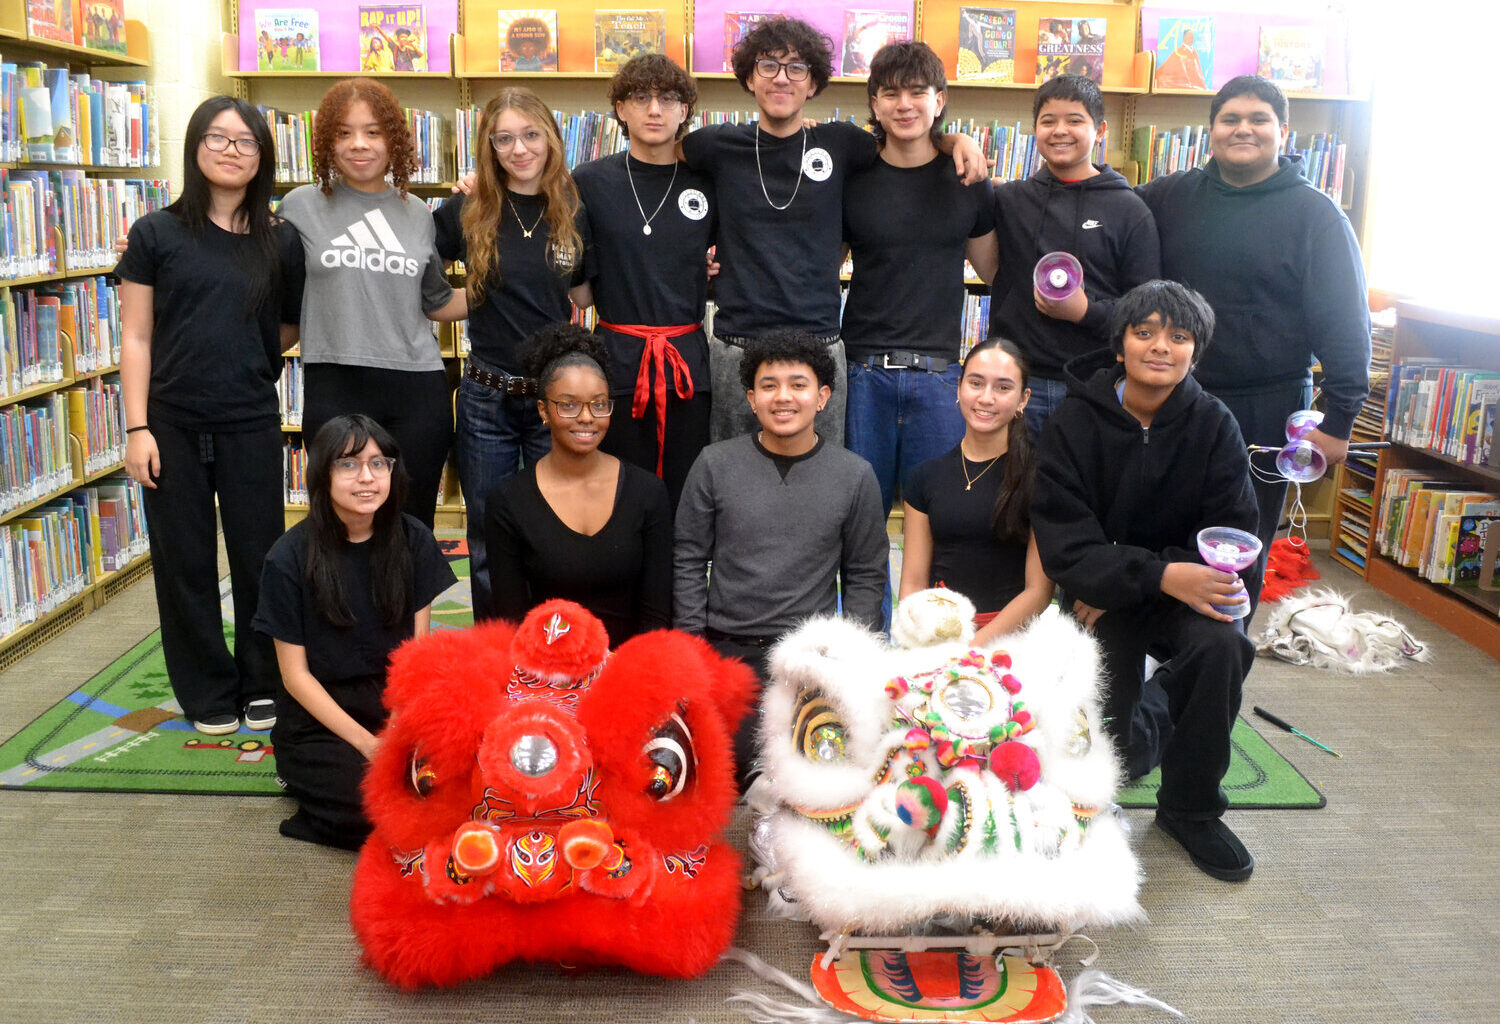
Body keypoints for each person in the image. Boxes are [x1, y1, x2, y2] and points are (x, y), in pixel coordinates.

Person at [1031, 280, 1258, 882]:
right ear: (1119, 344)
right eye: (1145, 332)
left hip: (1179, 587)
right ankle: (1159, 707)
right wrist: (1147, 577)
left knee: (1224, 646)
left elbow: (1233, 536)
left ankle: (1191, 809)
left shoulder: (1214, 425)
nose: (1161, 347)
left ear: (1195, 352)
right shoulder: (1073, 421)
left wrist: (1168, 579)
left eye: (1178, 337)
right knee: (1122, 759)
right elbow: (1066, 542)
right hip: (1105, 596)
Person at [679, 16, 986, 445]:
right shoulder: (714, 145)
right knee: (733, 483)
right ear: (749, 78)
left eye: (797, 68)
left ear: (814, 84)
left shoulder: (842, 144)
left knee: (822, 488)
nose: (781, 78)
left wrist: (957, 141)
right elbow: (662, 156)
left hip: (819, 344)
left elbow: (909, 141)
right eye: (768, 66)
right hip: (737, 345)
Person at [1136, 75, 1370, 612]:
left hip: (1267, 404)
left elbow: (1344, 322)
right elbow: (1102, 210)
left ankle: (1219, 673)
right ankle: (1157, 676)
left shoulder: (1317, 216)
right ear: (1211, 130)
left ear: (1283, 131)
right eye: (1230, 119)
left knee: (1241, 541)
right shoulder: (1170, 196)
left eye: (1259, 119)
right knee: (1161, 530)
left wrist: (1339, 423)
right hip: (1174, 396)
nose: (1244, 129)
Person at [118, 97, 298, 736]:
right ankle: (206, 689)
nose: (231, 150)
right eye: (218, 138)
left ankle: (261, 681)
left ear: (262, 156)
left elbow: (288, 325)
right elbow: (136, 337)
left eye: (246, 141)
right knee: (184, 560)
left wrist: (246, 360)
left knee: (262, 557)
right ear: (195, 147)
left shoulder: (281, 240)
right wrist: (136, 427)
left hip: (250, 419)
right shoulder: (156, 234)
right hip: (169, 422)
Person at [674, 329, 887, 784]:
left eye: (798, 384)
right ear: (750, 399)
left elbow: (867, 576)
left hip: (813, 660)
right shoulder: (713, 464)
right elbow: (689, 559)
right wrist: (693, 651)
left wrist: (850, 661)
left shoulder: (855, 475)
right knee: (726, 780)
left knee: (819, 781)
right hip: (728, 655)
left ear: (823, 396)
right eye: (769, 386)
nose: (783, 397)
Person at [253, 414, 457, 851]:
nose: (366, 478)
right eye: (348, 465)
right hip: (321, 718)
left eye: (378, 463)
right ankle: (303, 783)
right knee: (369, 812)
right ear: (322, 475)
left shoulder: (414, 538)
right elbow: (295, 677)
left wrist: (400, 727)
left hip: (396, 704)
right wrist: (369, 744)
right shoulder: (288, 558)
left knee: (466, 785)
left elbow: (418, 655)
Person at [279, 78, 466, 531]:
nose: (358, 144)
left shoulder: (419, 214)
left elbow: (436, 302)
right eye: (343, 133)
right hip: (335, 383)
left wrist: (515, 282)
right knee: (340, 525)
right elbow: (250, 271)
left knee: (410, 524)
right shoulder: (299, 206)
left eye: (373, 132)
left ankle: (409, 606)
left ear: (394, 140)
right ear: (327, 141)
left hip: (417, 390)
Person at [433, 87, 592, 620]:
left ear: (550, 138)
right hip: (487, 399)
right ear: (489, 146)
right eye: (504, 139)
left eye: (530, 135)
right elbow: (414, 276)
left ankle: (555, 643)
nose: (519, 149)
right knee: (488, 531)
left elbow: (586, 293)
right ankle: (498, 648)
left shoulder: (574, 208)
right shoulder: (466, 208)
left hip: (555, 400)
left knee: (558, 526)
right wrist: (464, 304)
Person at [843, 40, 998, 526]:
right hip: (862, 373)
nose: (904, 104)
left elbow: (993, 272)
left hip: (940, 378)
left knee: (938, 523)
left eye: (917, 92)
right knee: (859, 522)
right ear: (874, 104)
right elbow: (820, 264)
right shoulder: (852, 177)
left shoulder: (968, 179)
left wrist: (960, 143)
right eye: (889, 93)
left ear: (940, 99)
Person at [573, 54, 716, 509]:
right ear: (620, 108)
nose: (655, 110)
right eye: (641, 98)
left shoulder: (708, 180)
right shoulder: (589, 181)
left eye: (669, 98)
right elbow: (577, 278)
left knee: (685, 491)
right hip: (616, 360)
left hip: (687, 363)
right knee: (618, 489)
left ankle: (680, 581)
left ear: (685, 110)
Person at [990, 74, 1161, 438]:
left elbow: (1146, 310)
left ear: (1100, 131)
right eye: (1048, 121)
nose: (1060, 131)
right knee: (1015, 493)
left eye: (1074, 120)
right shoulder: (1010, 201)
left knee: (1089, 493)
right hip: (1018, 384)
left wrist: (1085, 312)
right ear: (1034, 129)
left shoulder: (1131, 210)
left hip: (1095, 386)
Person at [482, 325, 672, 643]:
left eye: (599, 404)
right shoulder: (508, 500)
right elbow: (511, 620)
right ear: (543, 410)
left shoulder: (648, 492)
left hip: (629, 670)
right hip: (546, 672)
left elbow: (656, 615)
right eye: (568, 405)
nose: (587, 417)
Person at [899, 337, 1053, 644]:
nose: (986, 398)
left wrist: (973, 649)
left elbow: (1039, 591)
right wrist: (921, 642)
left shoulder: (1042, 477)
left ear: (1023, 399)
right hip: (937, 642)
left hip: (1012, 643)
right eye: (976, 383)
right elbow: (913, 583)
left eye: (1003, 387)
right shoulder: (924, 477)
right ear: (958, 387)